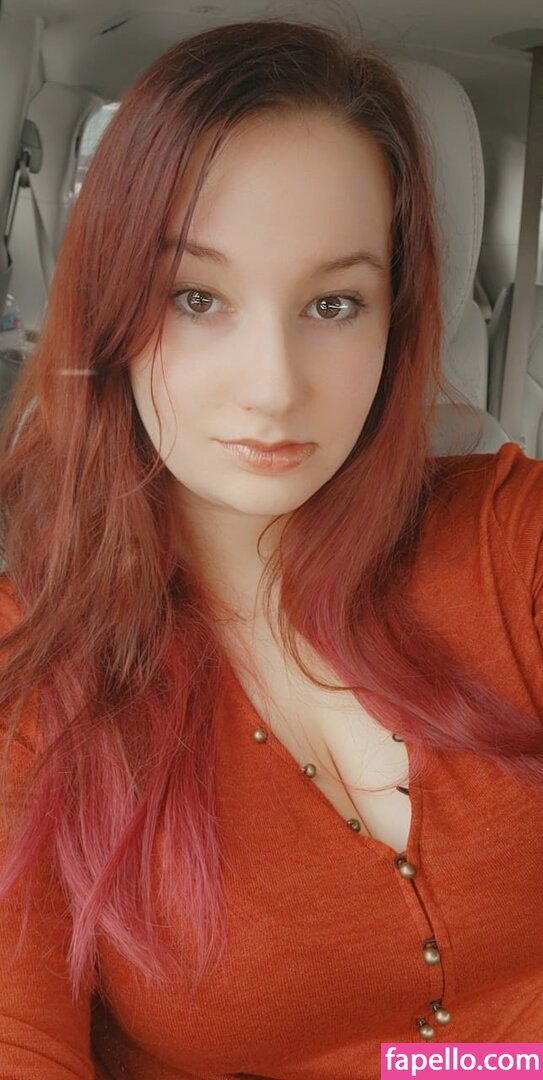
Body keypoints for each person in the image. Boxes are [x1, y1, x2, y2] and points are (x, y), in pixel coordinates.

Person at [0, 16, 542, 1080]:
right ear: (114, 306)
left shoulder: (508, 542)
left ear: (395, 319)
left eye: (333, 304)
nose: (273, 386)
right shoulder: (32, 675)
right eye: (196, 298)